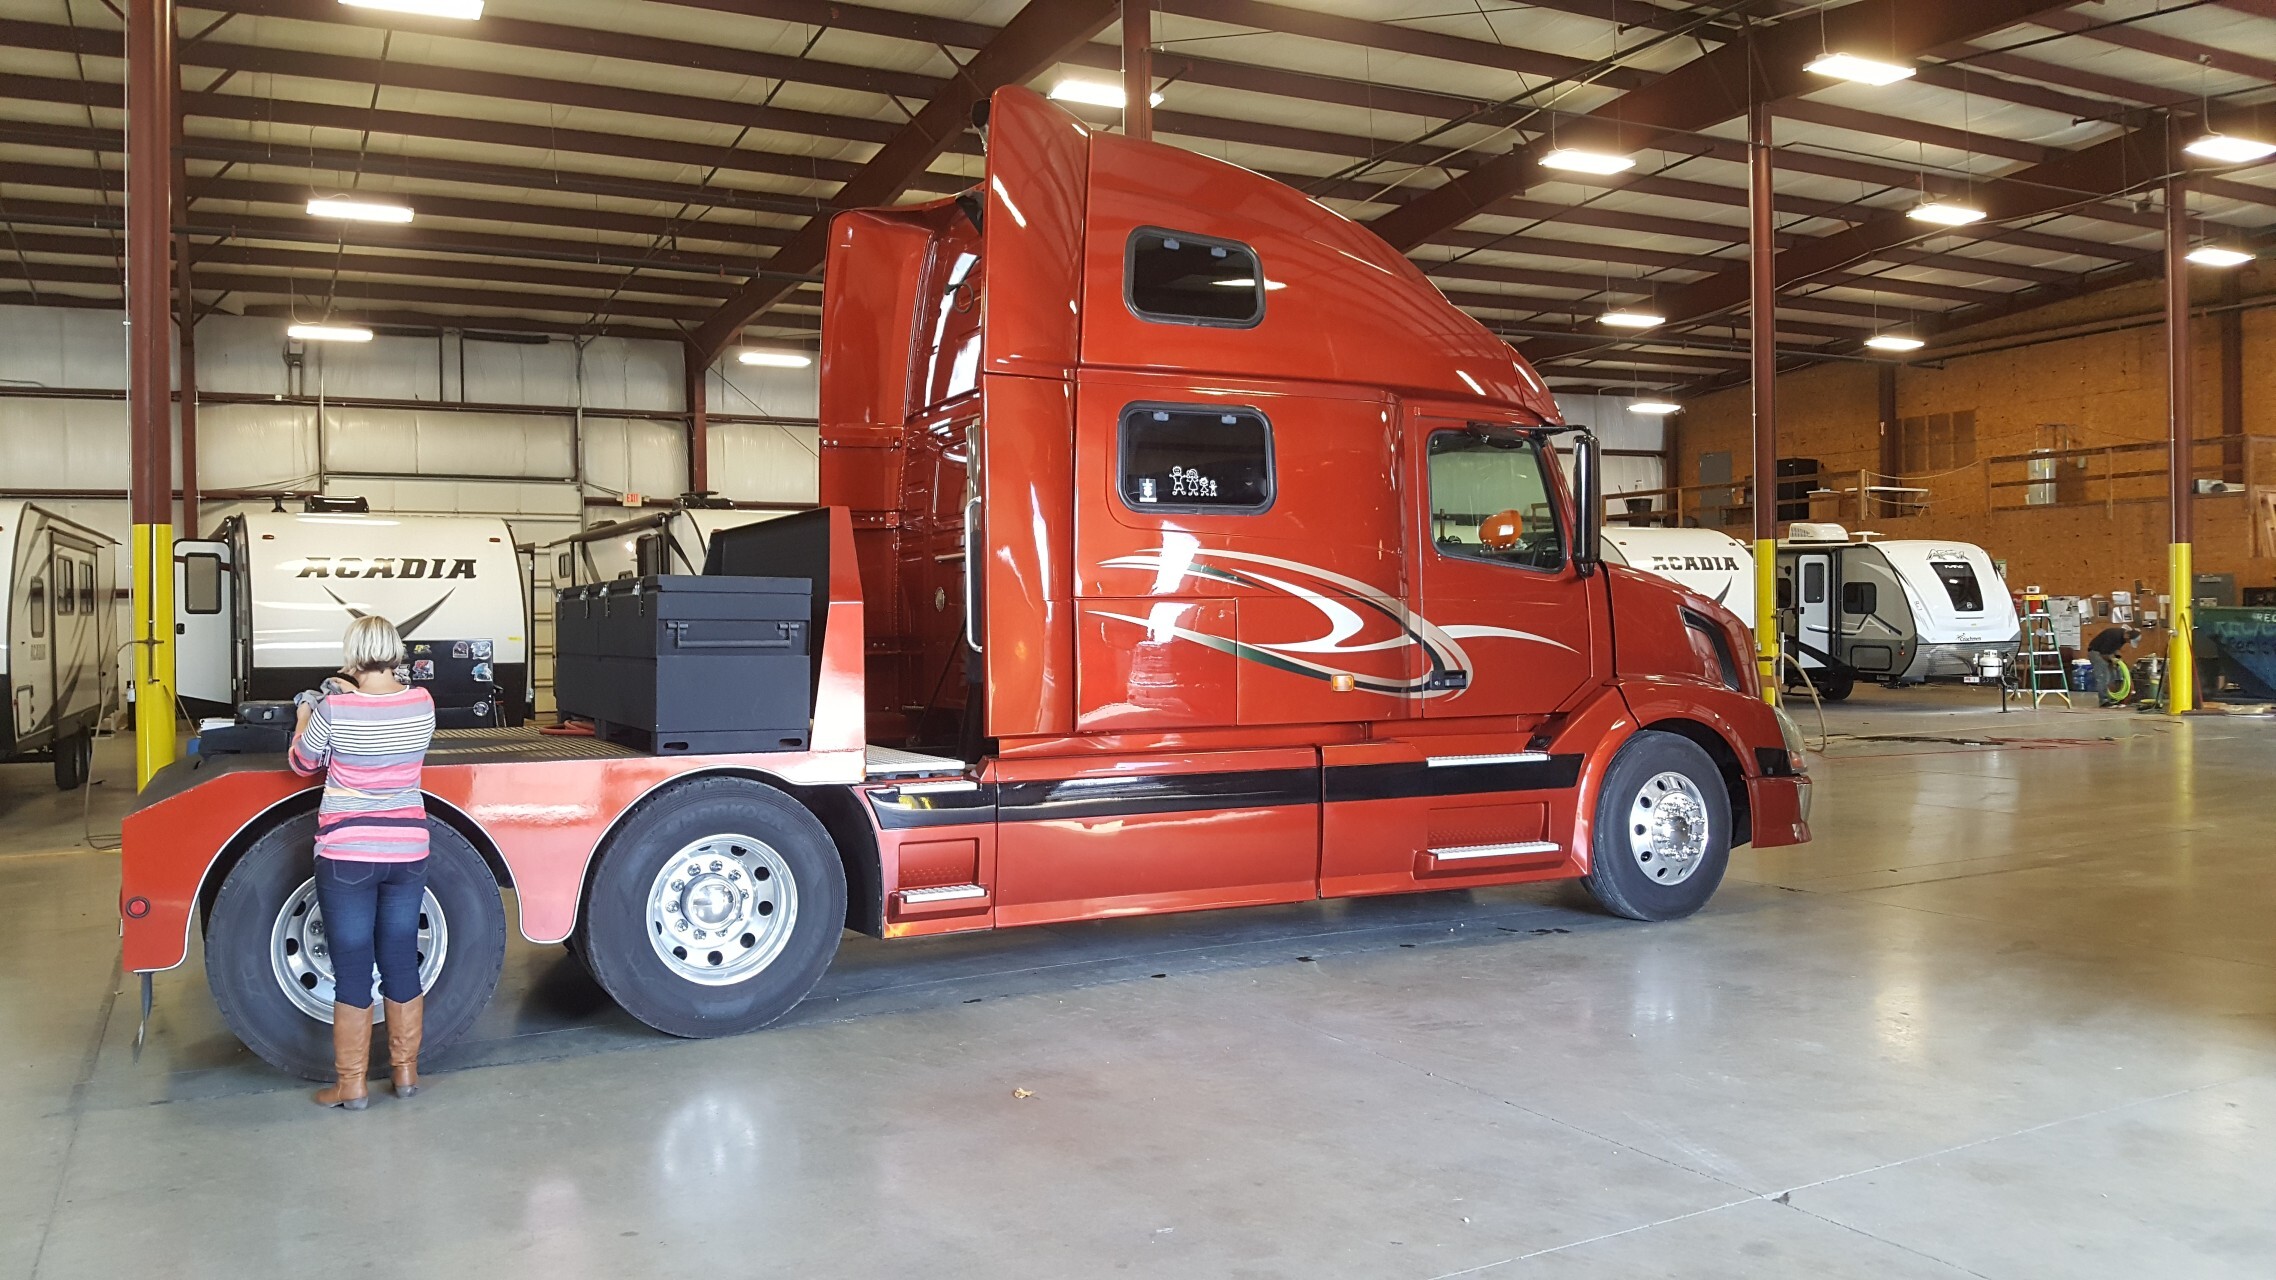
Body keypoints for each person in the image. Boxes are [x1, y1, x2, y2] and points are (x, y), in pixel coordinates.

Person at [290, 615, 437, 1111]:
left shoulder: (334, 708)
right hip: (408, 851)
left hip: (348, 854)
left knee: (353, 968)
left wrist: (306, 711)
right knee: (400, 957)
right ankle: (406, 1073)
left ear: (352, 655)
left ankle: (351, 1085)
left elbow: (303, 762)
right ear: (395, 651)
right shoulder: (422, 702)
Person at [2087, 625, 2140, 707]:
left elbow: (2114, 649)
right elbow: (2103, 652)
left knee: (2114, 675)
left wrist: (2118, 658)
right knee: (2103, 676)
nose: (2128, 642)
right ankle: (2104, 700)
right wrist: (2112, 659)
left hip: (2107, 653)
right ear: (2127, 635)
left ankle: (2114, 698)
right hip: (2096, 653)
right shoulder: (2114, 635)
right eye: (2129, 641)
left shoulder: (2123, 638)